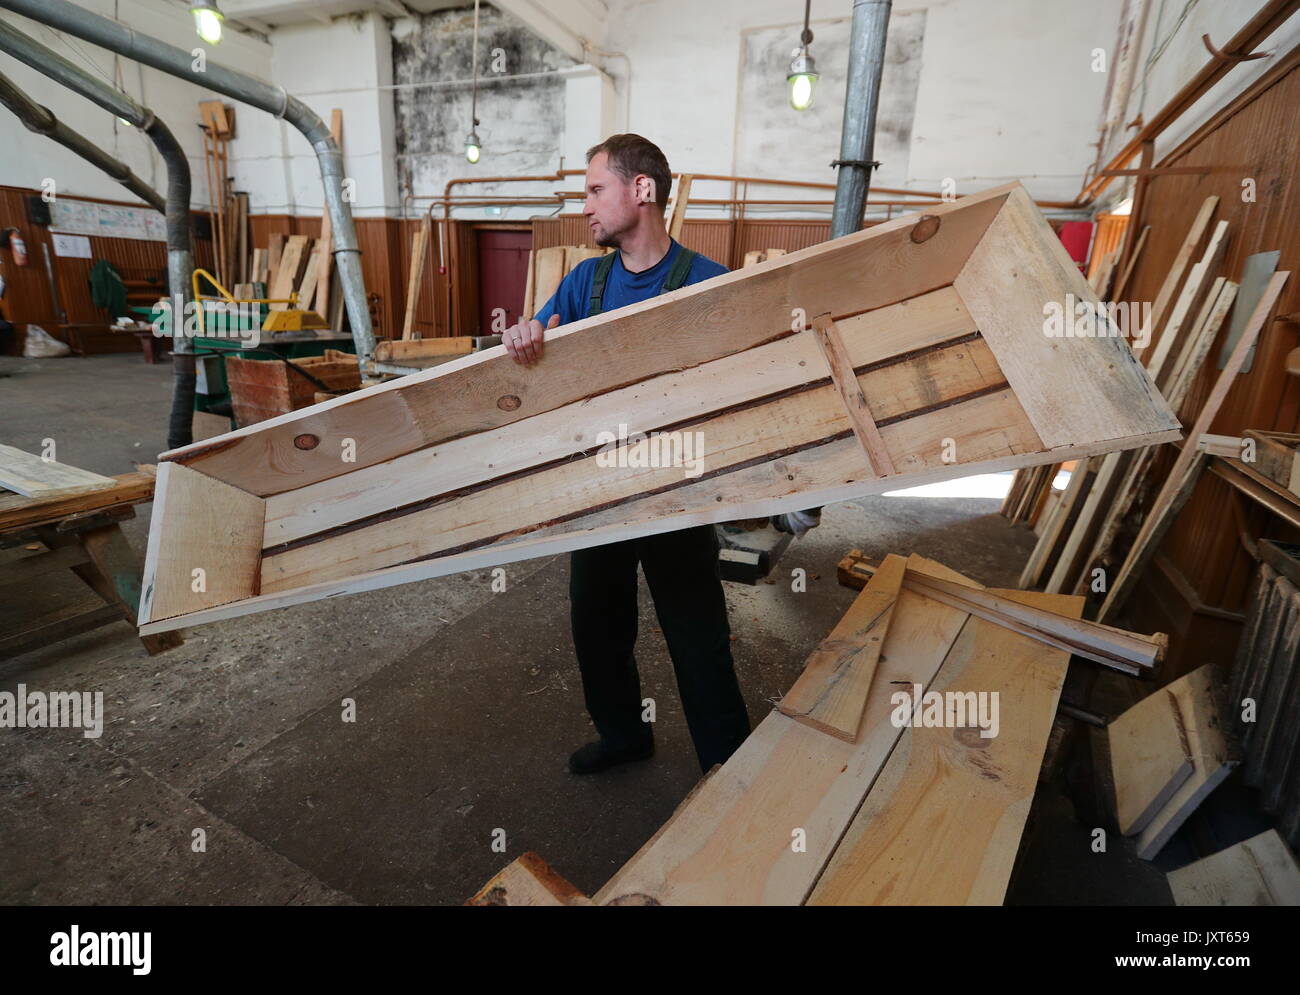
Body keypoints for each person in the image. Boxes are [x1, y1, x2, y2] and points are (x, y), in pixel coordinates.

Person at [503, 134, 750, 775]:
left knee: (697, 637)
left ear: (642, 191)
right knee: (597, 625)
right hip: (601, 491)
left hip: (678, 491)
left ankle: (730, 771)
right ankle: (624, 736)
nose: (584, 207)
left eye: (594, 190)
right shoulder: (586, 283)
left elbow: (741, 393)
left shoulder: (706, 284)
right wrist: (527, 335)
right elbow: (541, 352)